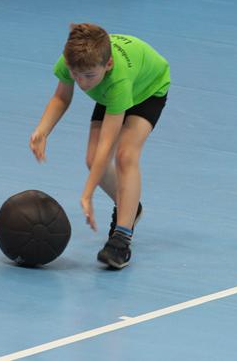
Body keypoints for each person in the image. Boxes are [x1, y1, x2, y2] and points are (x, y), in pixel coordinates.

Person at [29, 23, 170, 269]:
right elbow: (61, 97)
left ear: (108, 64)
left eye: (88, 76)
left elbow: (108, 145)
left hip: (148, 89)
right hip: (109, 91)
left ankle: (122, 239)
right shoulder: (73, 61)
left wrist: (87, 193)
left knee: (125, 155)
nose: (82, 83)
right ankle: (130, 207)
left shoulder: (118, 80)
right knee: (92, 160)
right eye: (76, 75)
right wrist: (42, 130)